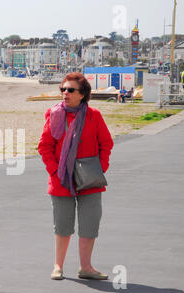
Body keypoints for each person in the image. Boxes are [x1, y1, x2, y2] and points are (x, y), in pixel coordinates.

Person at [37, 72, 114, 280]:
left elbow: (106, 143)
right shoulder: (53, 114)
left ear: (82, 94)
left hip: (90, 179)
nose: (65, 93)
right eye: (63, 89)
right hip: (61, 179)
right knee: (62, 225)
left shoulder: (94, 115)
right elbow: (44, 147)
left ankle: (86, 267)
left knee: (89, 225)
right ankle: (58, 266)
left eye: (71, 90)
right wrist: (55, 171)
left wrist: (100, 168)